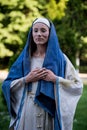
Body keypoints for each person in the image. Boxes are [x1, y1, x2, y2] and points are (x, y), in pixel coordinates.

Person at [2, 17, 83, 130]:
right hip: (28, 110)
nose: (39, 34)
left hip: (49, 112)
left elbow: (77, 85)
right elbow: (6, 85)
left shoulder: (61, 59)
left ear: (50, 34)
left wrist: (55, 79)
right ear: (32, 34)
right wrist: (26, 79)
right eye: (35, 31)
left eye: (43, 30)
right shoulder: (25, 59)